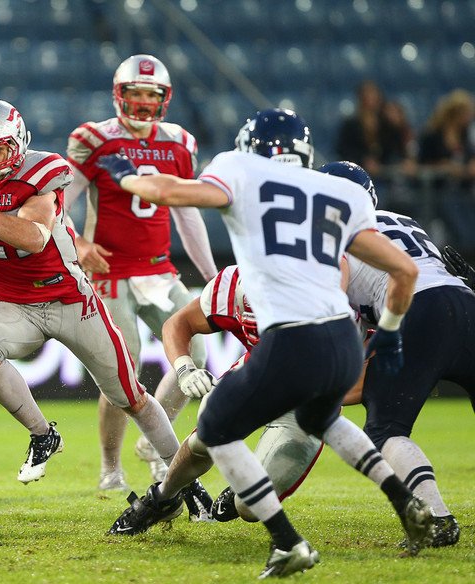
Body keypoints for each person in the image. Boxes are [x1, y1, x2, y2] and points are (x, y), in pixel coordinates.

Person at [96, 108, 432, 578]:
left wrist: (128, 178)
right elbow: (406, 270)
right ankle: (405, 503)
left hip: (291, 338)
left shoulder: (242, 171)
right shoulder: (341, 193)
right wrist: (391, 335)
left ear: (250, 149)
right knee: (324, 418)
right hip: (340, 338)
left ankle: (287, 542)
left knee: (215, 427)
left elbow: (169, 192)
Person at [0, 99, 186, 494]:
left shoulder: (44, 170)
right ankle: (42, 434)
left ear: (17, 144)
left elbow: (33, 238)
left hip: (69, 300)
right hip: (13, 301)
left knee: (130, 396)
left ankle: (185, 479)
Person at [63, 54, 218, 493]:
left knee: (197, 352)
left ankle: (154, 440)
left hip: (157, 270)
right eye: (137, 93)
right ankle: (110, 466)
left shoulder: (179, 143)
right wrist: (79, 245)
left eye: (153, 94)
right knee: (122, 369)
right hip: (109, 271)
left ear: (164, 99)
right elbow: (56, 205)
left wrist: (213, 276)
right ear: (120, 94)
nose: (145, 102)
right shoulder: (95, 139)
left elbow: (187, 215)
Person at [326, 160, 475, 547]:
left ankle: (438, 519)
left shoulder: (332, 239)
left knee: (385, 429)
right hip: (466, 300)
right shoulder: (402, 220)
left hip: (419, 310)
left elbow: (346, 358)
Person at [124, 264, 326, 525]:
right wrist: (185, 369)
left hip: (308, 401)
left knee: (250, 508)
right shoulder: (232, 286)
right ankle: (162, 498)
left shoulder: (328, 296)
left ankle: (246, 489)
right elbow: (178, 323)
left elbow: (361, 372)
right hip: (256, 378)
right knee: (205, 437)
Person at [417, 88, 475, 188]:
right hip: (436, 189)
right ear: (456, 113)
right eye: (467, 113)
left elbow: (469, 156)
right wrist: (444, 167)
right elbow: (420, 164)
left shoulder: (464, 134)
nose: (470, 117)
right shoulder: (431, 134)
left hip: (462, 189)